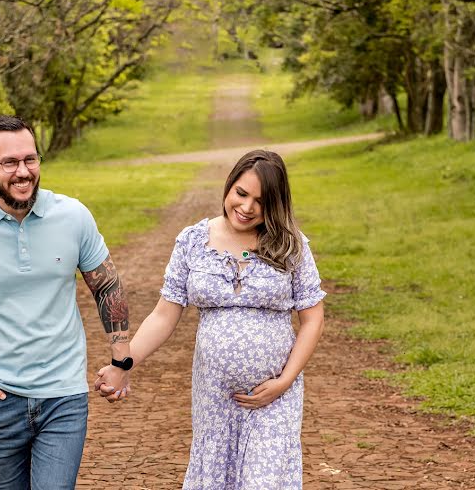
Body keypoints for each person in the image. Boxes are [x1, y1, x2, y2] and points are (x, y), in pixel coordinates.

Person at [0, 115, 132, 490]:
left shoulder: (72, 216)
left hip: (63, 396)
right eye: (9, 163)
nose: (23, 172)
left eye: (30, 159)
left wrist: (121, 360)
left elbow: (108, 285)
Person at [98, 149, 325, 489]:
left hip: (275, 396)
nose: (247, 208)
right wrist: (123, 365)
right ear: (229, 186)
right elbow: (163, 315)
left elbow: (313, 320)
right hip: (214, 397)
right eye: (241, 193)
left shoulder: (290, 245)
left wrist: (284, 381)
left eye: (260, 202)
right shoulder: (192, 241)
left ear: (275, 204)